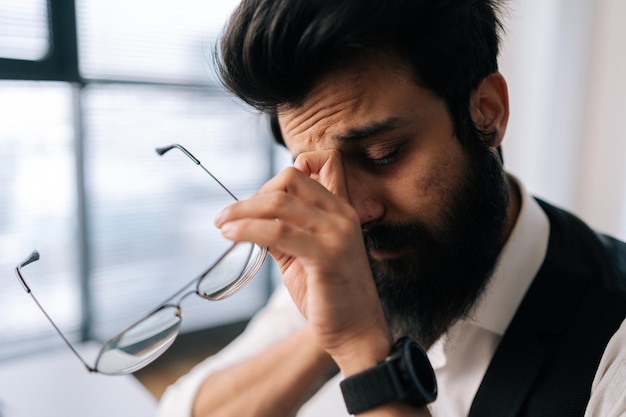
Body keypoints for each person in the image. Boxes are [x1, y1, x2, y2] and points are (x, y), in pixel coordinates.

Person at [156, 0, 626, 416]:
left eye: (383, 154)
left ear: (487, 110)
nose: (352, 211)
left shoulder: (613, 345)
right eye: (320, 172)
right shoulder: (347, 261)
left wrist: (363, 350)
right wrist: (327, 334)